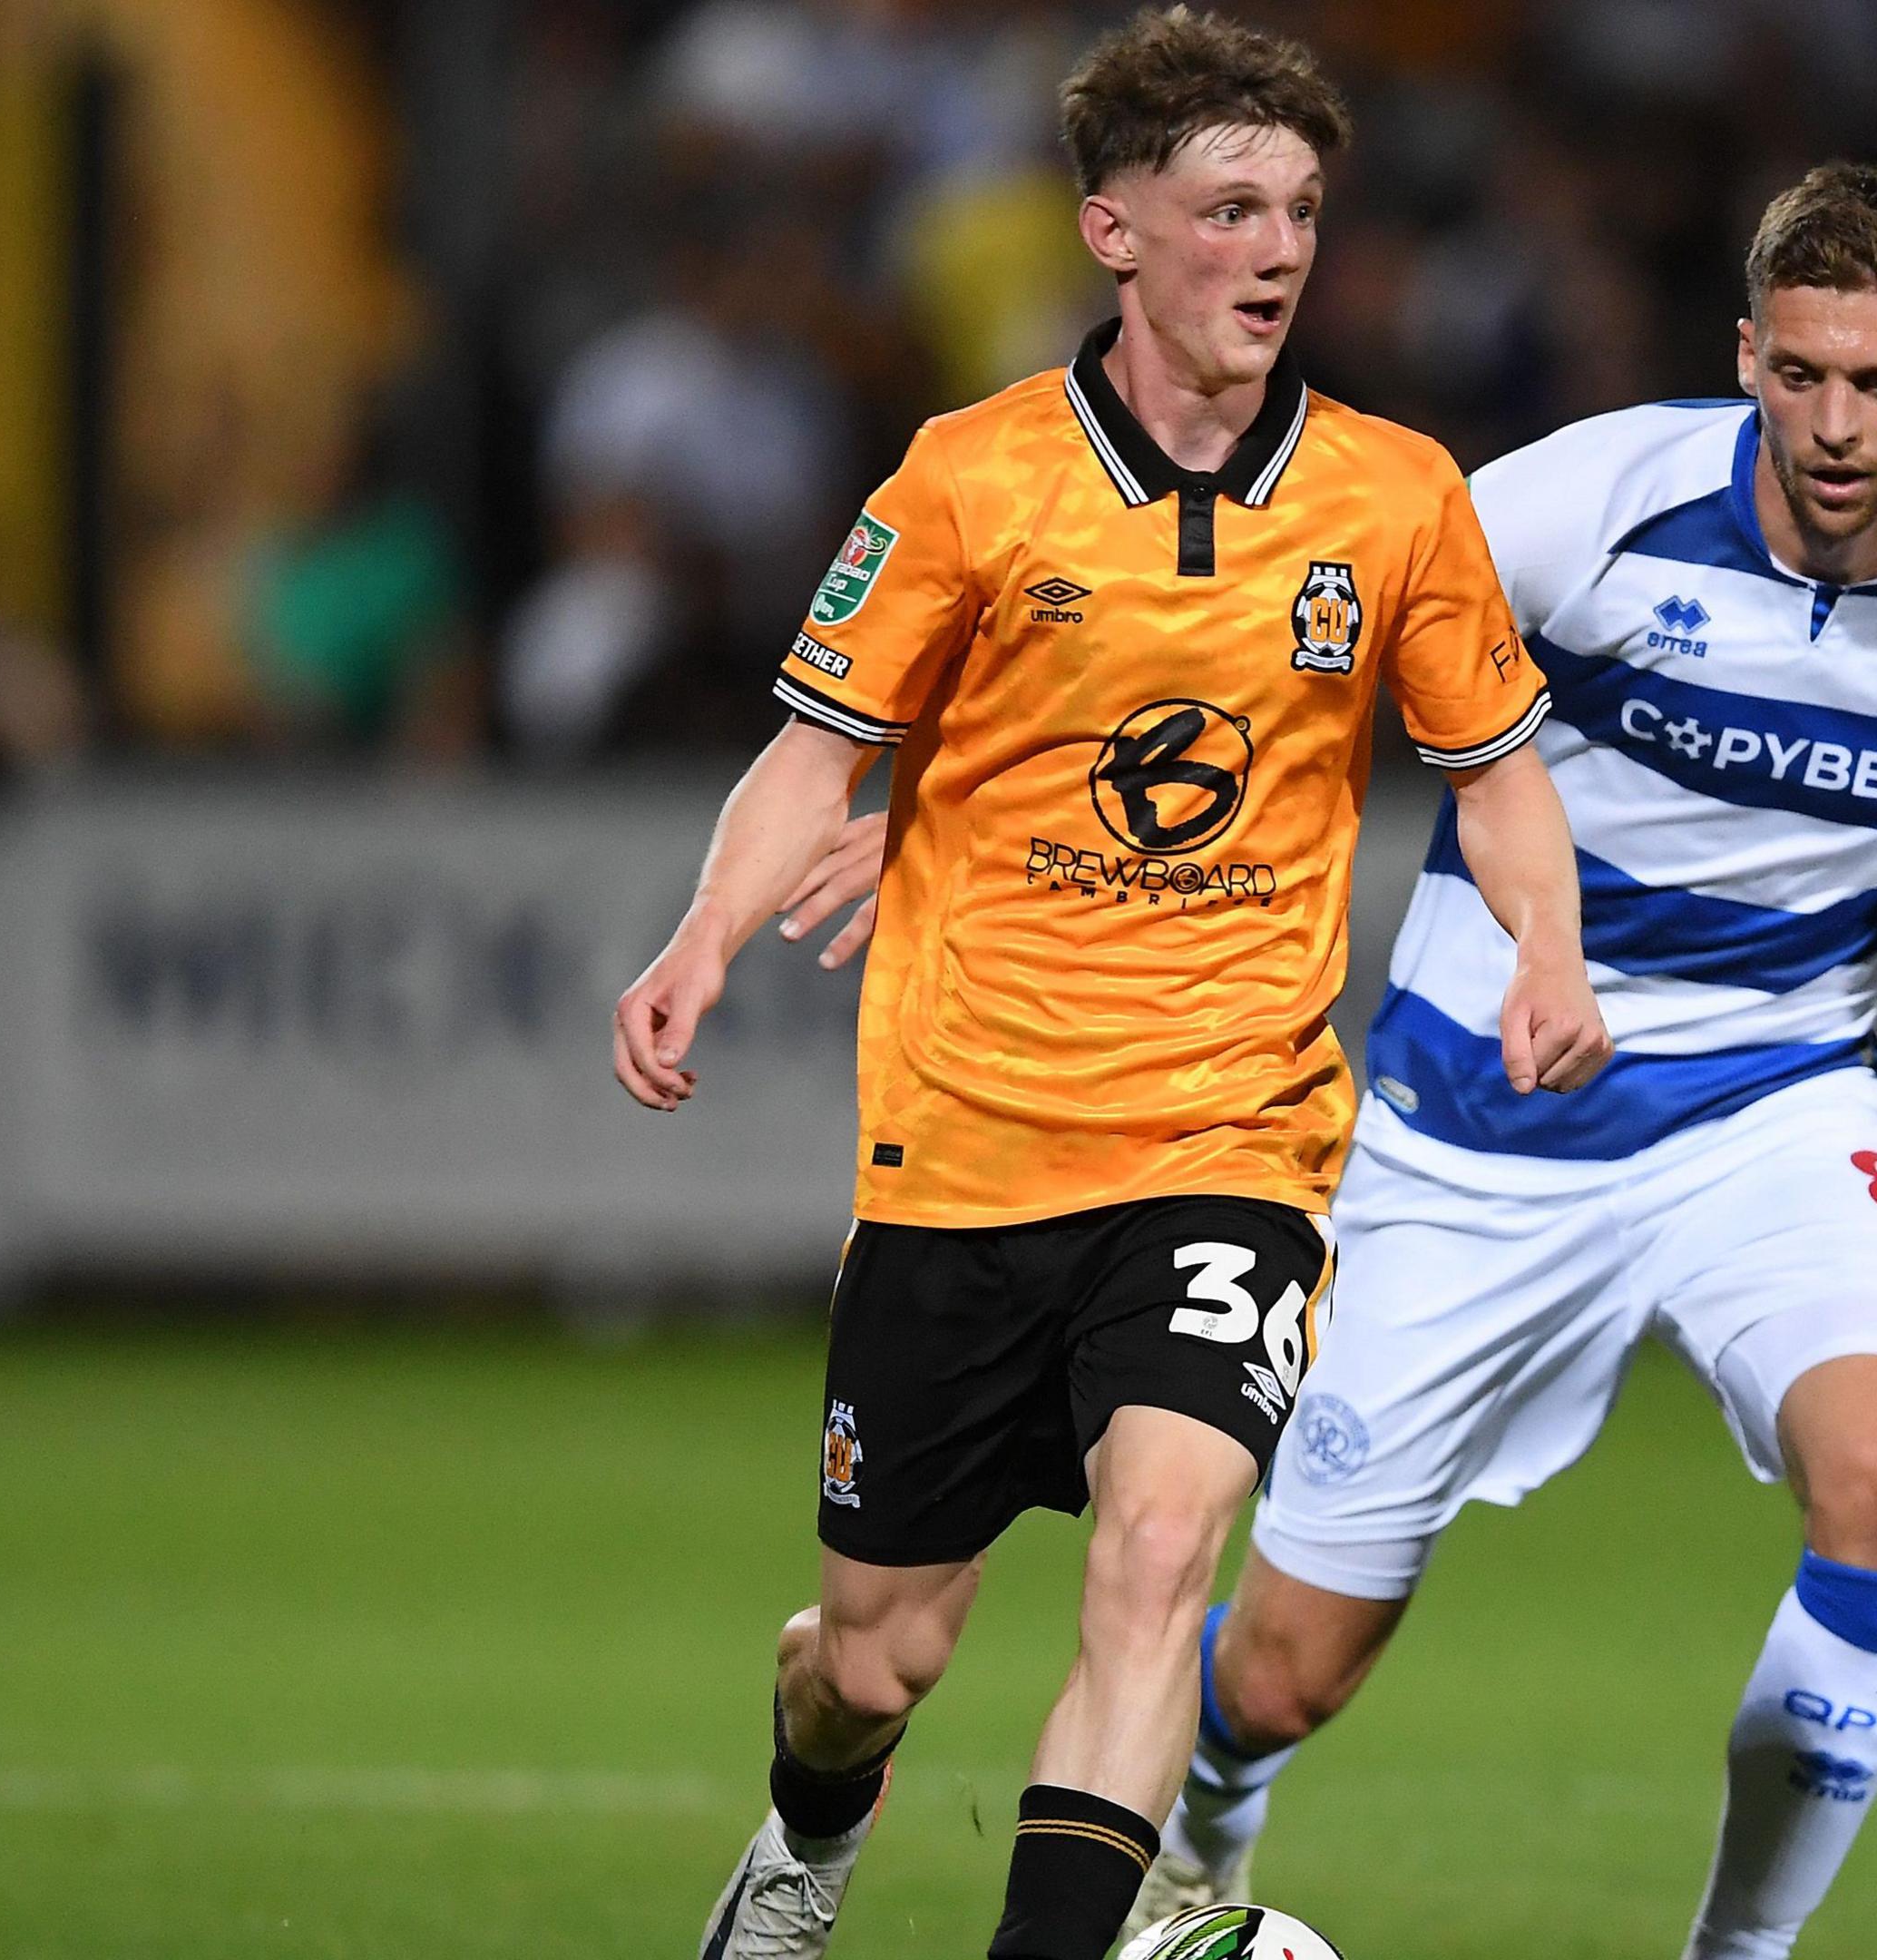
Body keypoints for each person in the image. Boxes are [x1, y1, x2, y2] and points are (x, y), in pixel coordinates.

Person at [1128, 162, 1877, 1955]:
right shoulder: (1588, 508)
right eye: (1806, 377)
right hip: (1474, 1125)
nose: (1839, 428)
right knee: (1287, 1671)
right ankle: (1198, 1850)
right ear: (1746, 353)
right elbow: (1294, 644)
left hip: (1775, 1110)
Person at [607, 12, 1608, 1960]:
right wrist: (702, 936)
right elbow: (815, 757)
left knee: (1159, 1564)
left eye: (1303, 208)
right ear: (1115, 233)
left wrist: (1552, 959)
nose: (1277, 247)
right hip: (967, 1143)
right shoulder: (972, 481)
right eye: (1230, 205)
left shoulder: (1398, 499)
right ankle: (809, 1840)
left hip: (1229, 1138)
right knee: (875, 1662)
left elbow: (1502, 783)